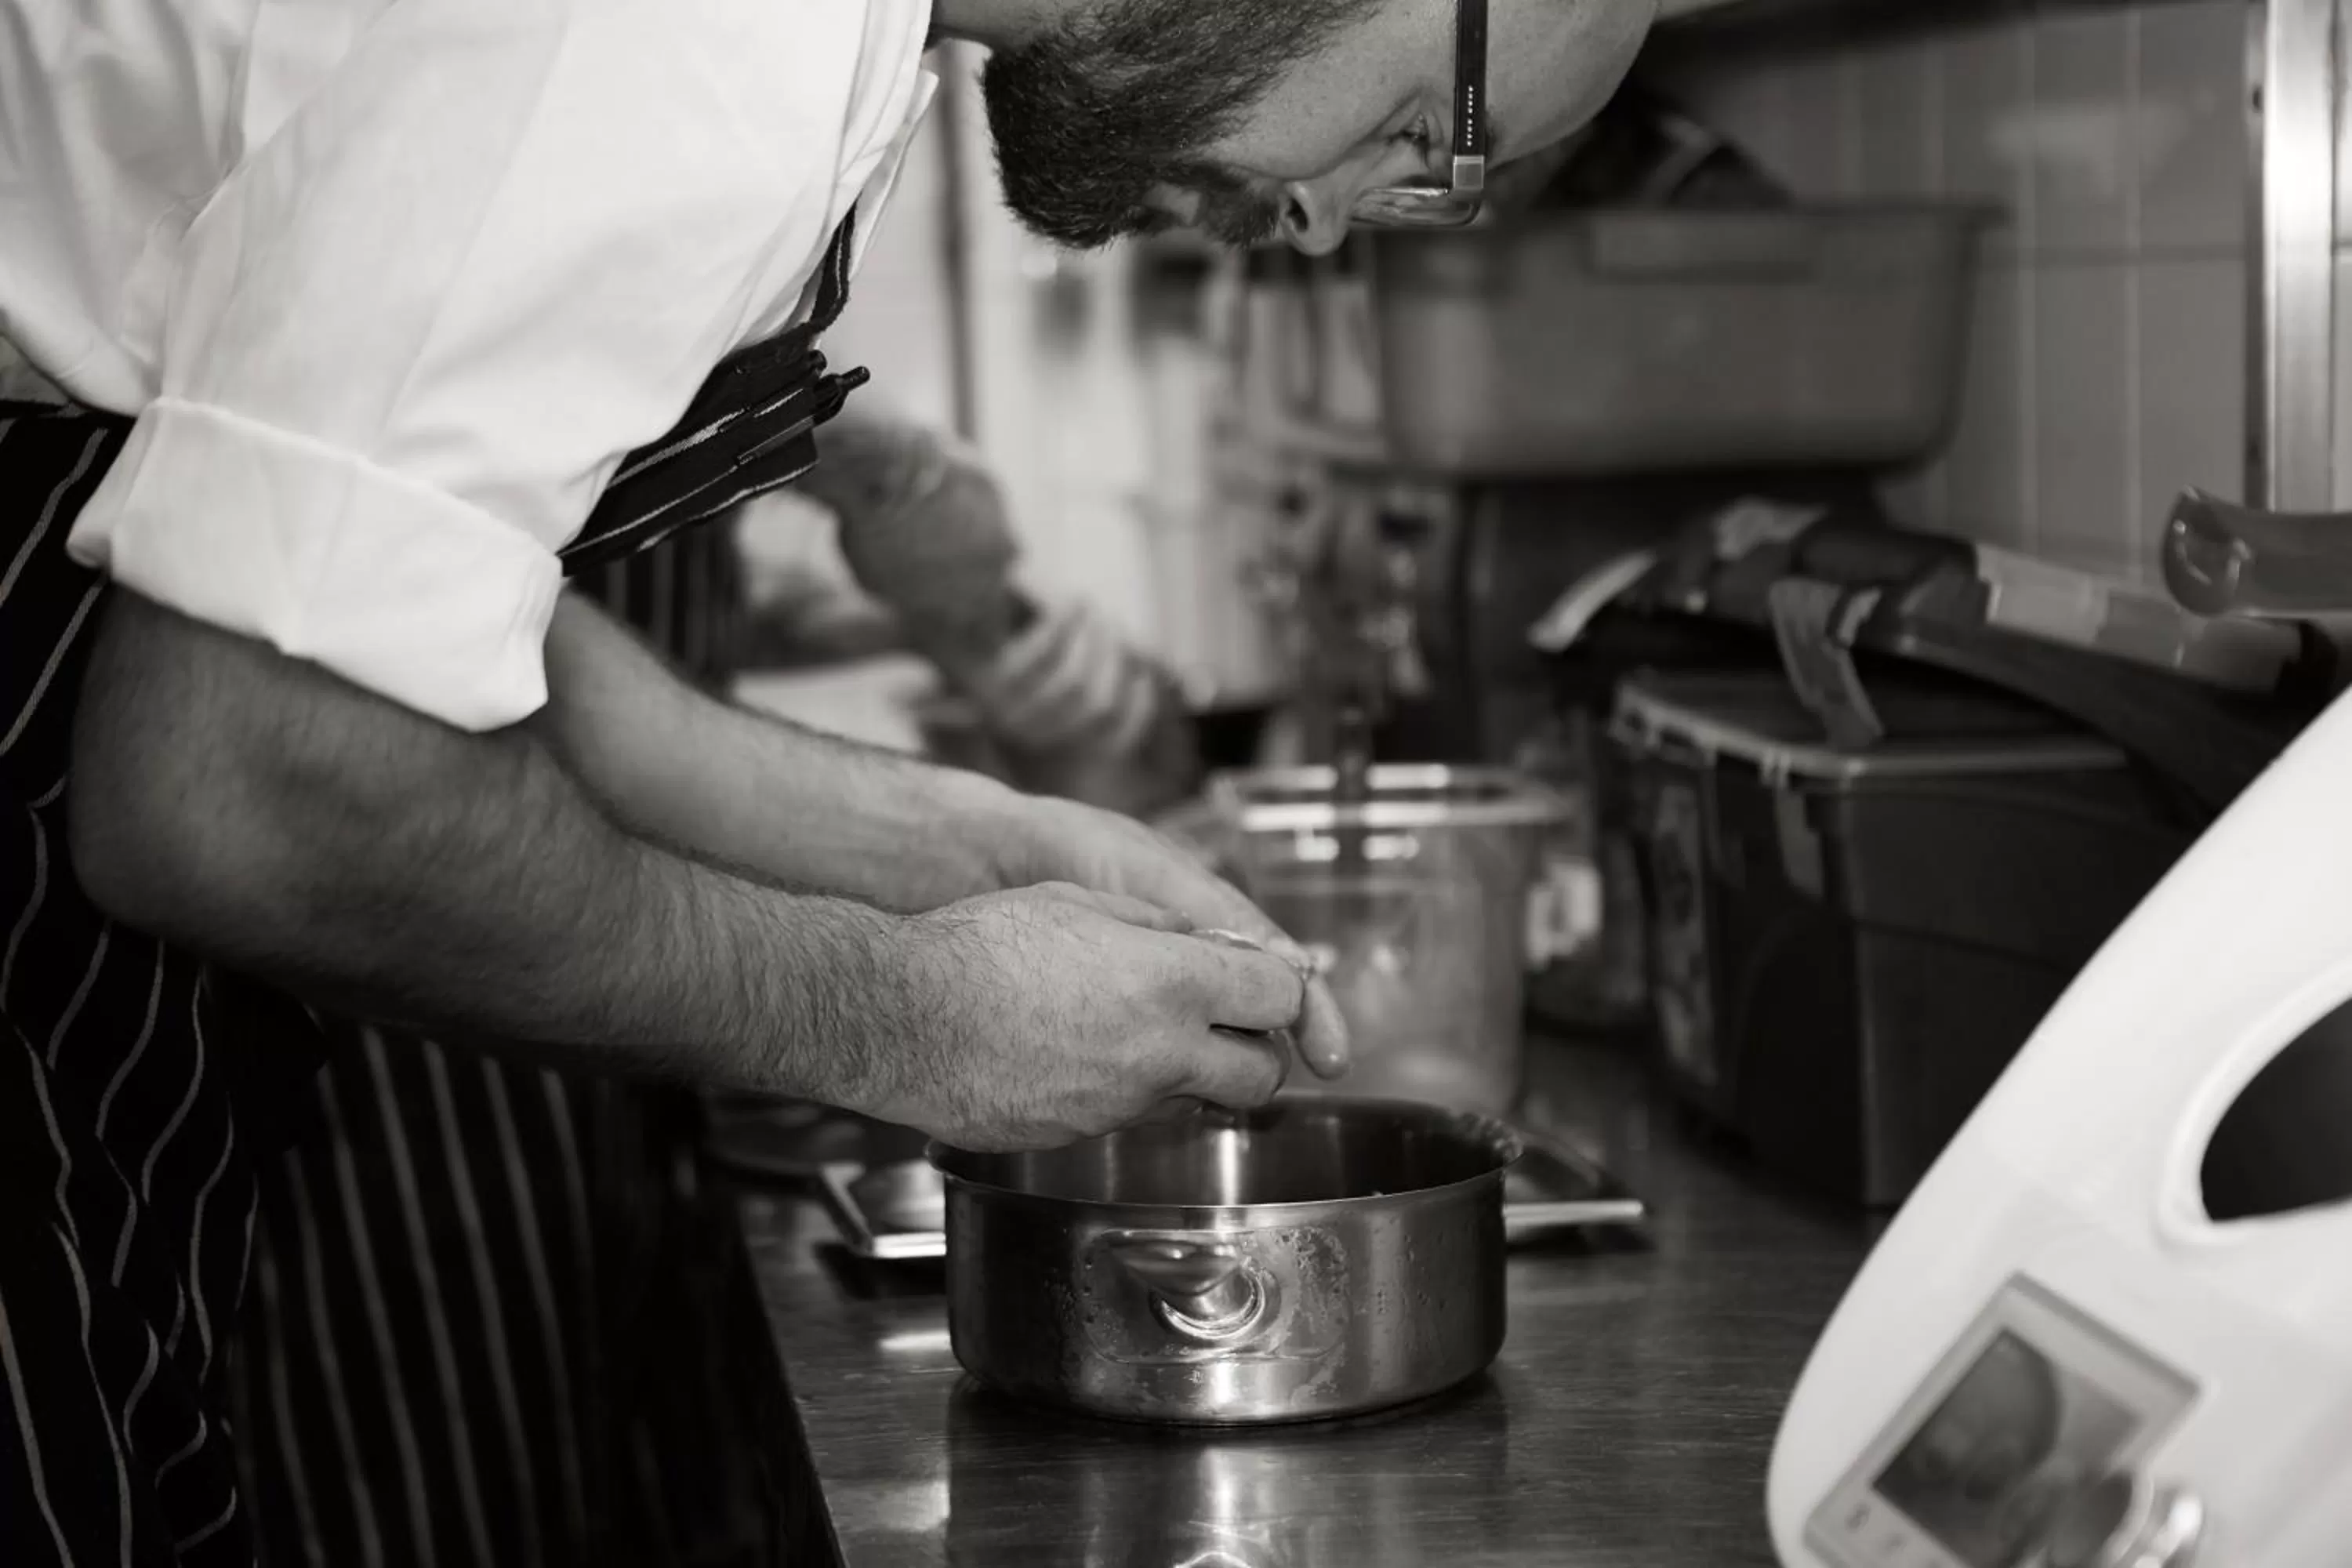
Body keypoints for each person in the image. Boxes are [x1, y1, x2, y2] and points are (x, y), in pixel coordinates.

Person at [0, 0, 1655, 1563]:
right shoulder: (695, 45)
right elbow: (247, 776)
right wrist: (912, 1017)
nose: (1325, 229)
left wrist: (959, 849)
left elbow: (366, 603)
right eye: (1435, 131)